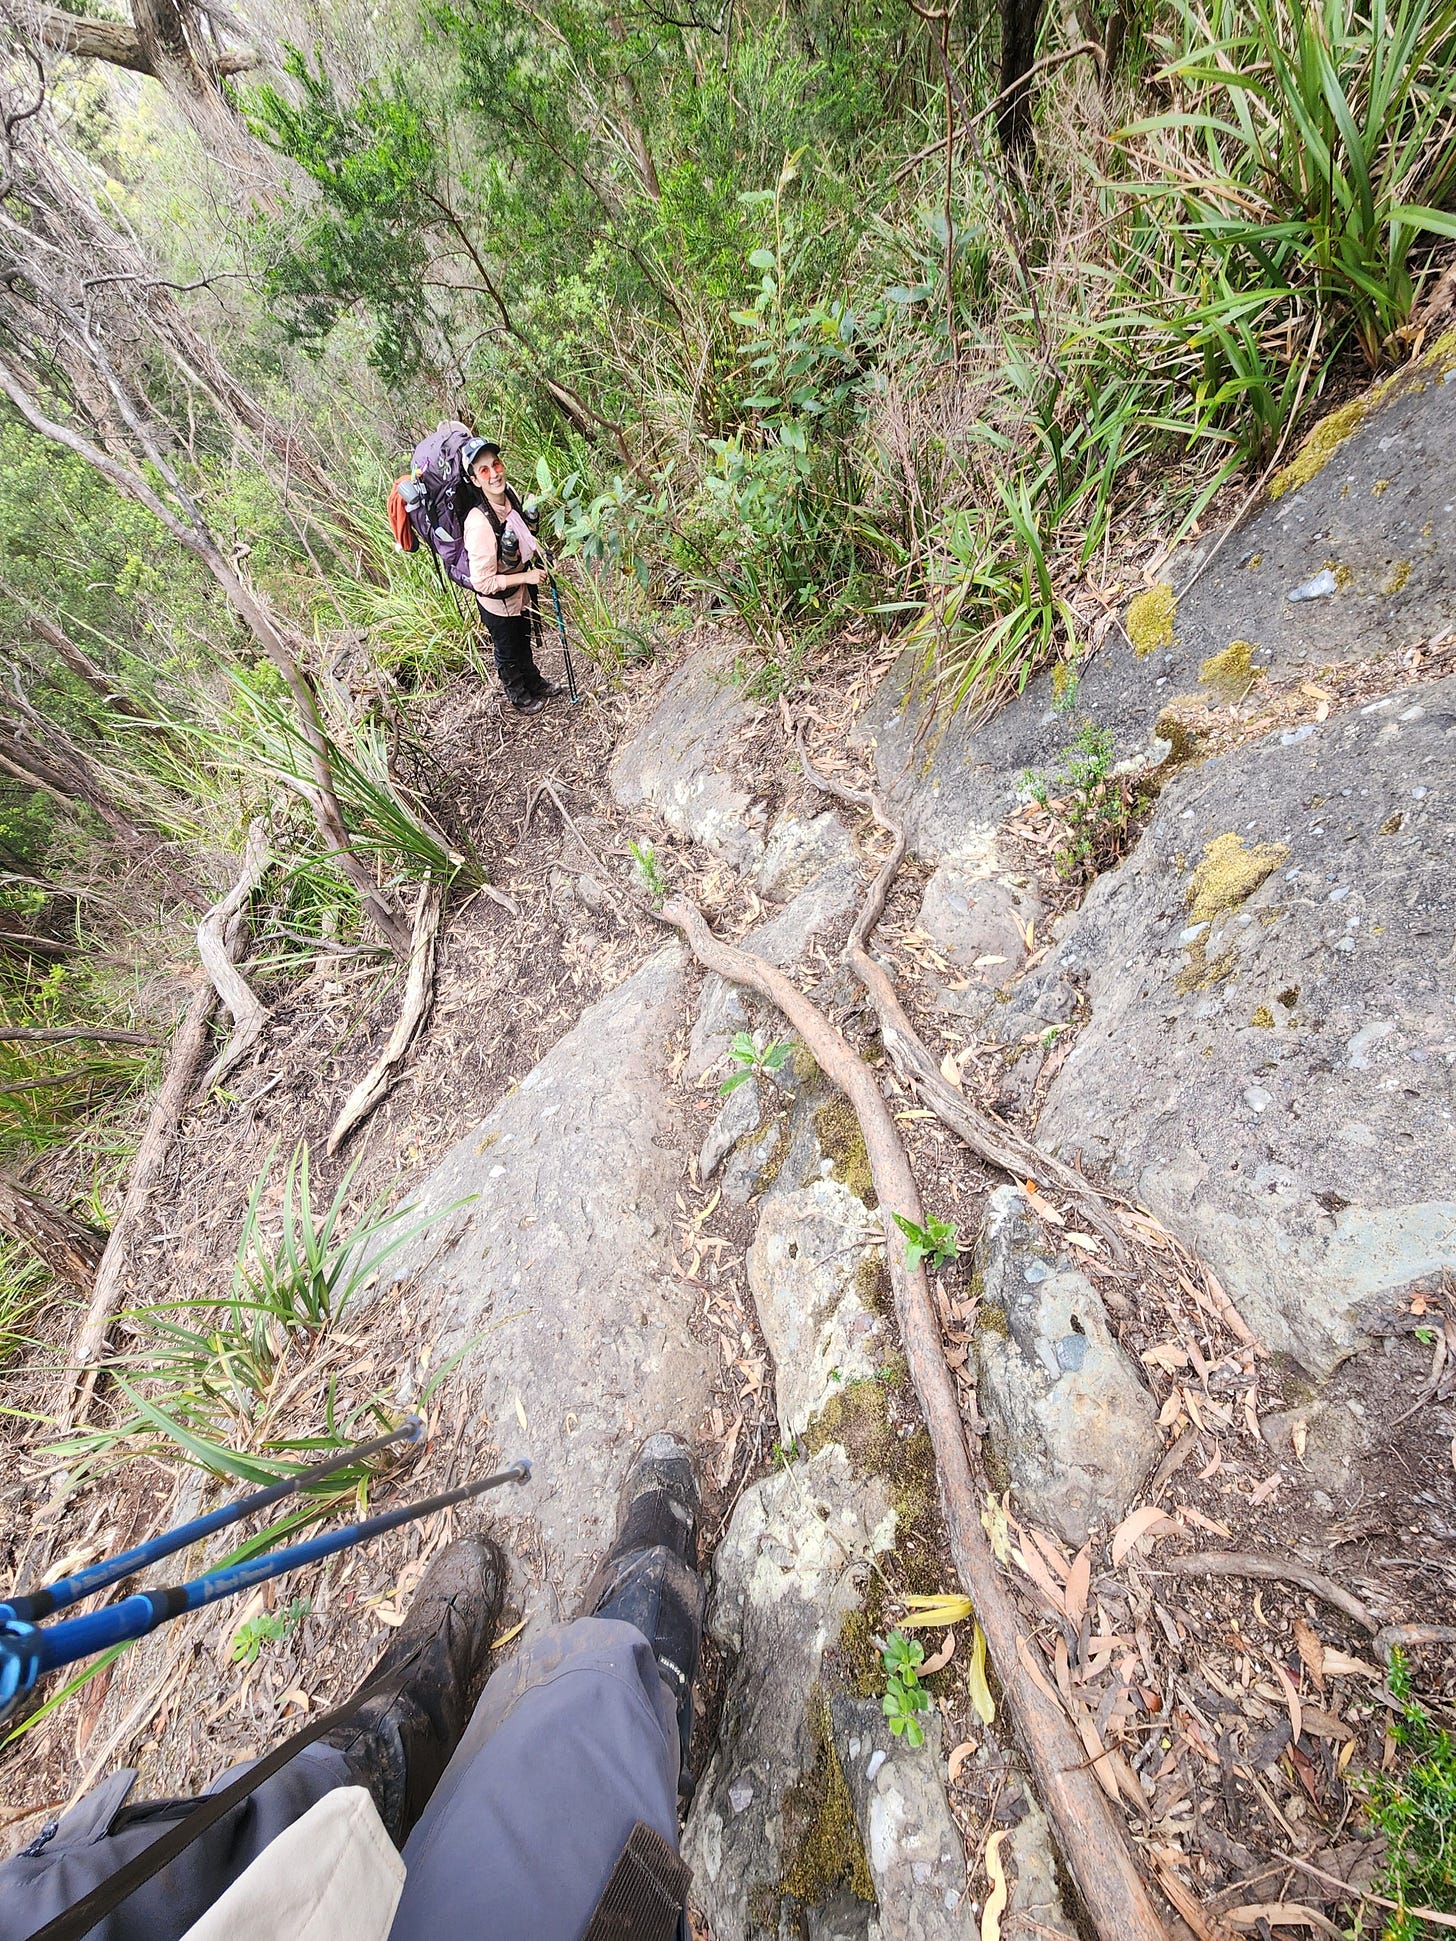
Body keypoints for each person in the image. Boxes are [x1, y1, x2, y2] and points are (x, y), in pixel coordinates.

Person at [0, 1435, 706, 1941]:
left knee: (279, 1816)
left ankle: (405, 1722)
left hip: (63, 1909)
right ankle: (644, 1650)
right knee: (582, 1792)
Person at [461, 438, 563, 715]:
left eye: (496, 465)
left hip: (519, 593)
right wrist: (526, 578)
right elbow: (482, 582)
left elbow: (523, 533)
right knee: (508, 651)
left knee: (523, 639)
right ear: (475, 480)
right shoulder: (478, 524)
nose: (494, 474)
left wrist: (541, 554)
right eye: (484, 470)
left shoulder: (511, 495)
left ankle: (534, 682)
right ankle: (518, 695)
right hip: (497, 603)